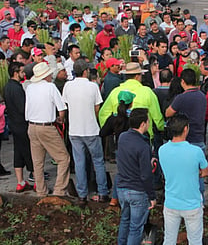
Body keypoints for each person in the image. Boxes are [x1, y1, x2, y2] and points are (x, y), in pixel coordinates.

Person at [63, 59, 110, 205]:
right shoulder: (92, 86)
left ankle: (82, 195)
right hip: (91, 129)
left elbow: (66, 106)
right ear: (86, 71)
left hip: (75, 130)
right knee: (98, 161)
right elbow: (97, 109)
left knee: (79, 162)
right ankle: (102, 193)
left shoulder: (68, 86)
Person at [159, 113, 208, 245]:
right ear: (186, 129)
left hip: (170, 203)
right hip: (192, 205)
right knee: (195, 241)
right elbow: (205, 172)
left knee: (169, 240)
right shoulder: (196, 151)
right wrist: (193, 172)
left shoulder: (162, 150)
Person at [25, 62, 70, 197]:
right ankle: (59, 190)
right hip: (46, 127)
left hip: (32, 126)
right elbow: (61, 109)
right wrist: (60, 118)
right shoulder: (51, 87)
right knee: (63, 158)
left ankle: (41, 191)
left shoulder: (30, 88)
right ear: (46, 75)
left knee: (37, 162)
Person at [116, 108, 156, 245]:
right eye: (148, 121)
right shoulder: (143, 146)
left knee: (125, 221)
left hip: (122, 189)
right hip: (137, 191)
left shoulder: (122, 137)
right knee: (136, 228)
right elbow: (145, 175)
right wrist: (152, 196)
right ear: (143, 124)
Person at [99, 62, 164, 139]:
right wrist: (161, 128)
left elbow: (103, 114)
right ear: (137, 76)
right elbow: (157, 116)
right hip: (143, 136)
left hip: (120, 137)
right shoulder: (147, 92)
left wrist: (110, 129)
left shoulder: (115, 92)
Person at [4, 62, 34, 193]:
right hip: (21, 124)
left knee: (18, 152)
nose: (24, 74)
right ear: (16, 73)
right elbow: (23, 108)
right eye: (22, 72)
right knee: (29, 152)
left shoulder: (7, 86)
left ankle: (20, 181)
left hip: (13, 123)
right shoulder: (16, 88)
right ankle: (37, 181)